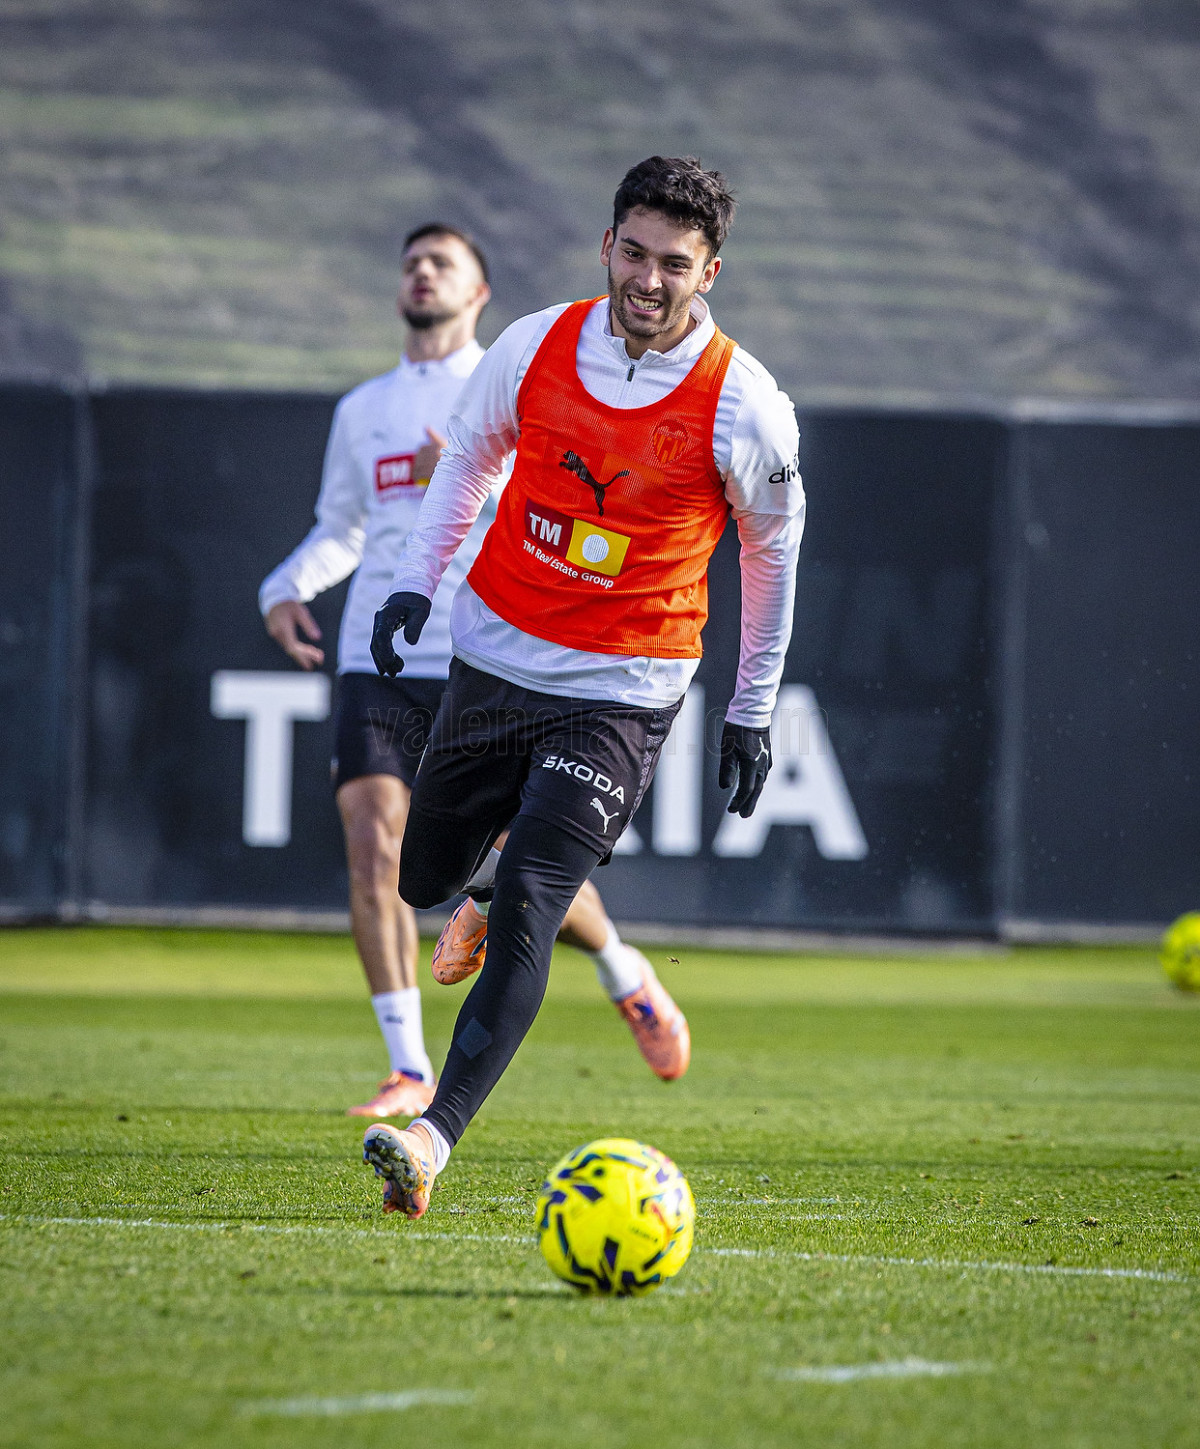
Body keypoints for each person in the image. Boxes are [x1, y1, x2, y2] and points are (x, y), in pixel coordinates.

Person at [363, 157, 805, 1217]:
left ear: (710, 273)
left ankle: (430, 1139)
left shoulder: (745, 404)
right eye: (635, 254)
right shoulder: (533, 344)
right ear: (608, 246)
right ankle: (474, 886)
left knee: (534, 898)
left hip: (625, 690)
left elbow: (774, 553)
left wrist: (751, 707)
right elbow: (468, 461)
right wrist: (415, 583)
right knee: (423, 878)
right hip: (495, 656)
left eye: (676, 265)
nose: (649, 280)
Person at [259, 223, 685, 1121]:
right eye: (411, 261)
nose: (422, 272)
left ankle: (624, 971)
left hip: (490, 654)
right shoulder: (362, 408)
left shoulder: (522, 374)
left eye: (442, 262)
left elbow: (561, 513)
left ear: (480, 291)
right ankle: (407, 1064)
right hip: (378, 652)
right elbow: (343, 528)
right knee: (373, 836)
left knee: (518, 867)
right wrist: (284, 586)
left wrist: (466, 474)